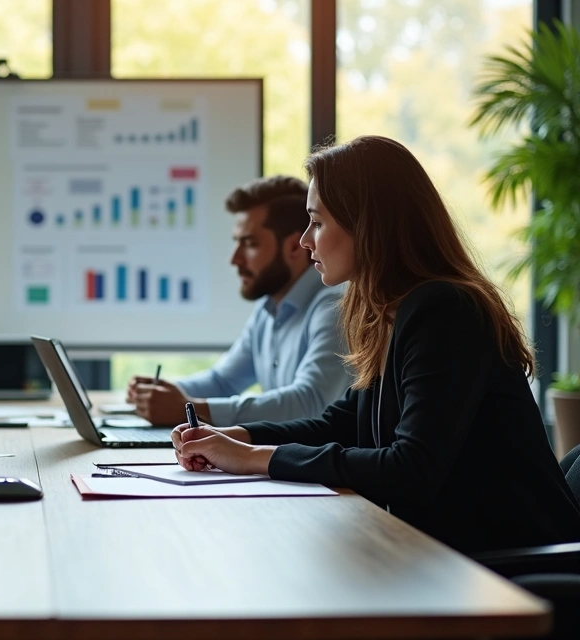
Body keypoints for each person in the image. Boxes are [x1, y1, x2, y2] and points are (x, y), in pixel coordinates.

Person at [173, 135, 580, 554]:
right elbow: (341, 423)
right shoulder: (390, 311)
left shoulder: (444, 310)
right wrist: (232, 437)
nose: (304, 241)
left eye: (317, 221)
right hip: (452, 558)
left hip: (511, 569)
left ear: (367, 225)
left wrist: (254, 457)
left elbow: (411, 468)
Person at [128, 176, 350, 425]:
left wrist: (191, 410)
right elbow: (223, 382)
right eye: (237, 243)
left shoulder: (334, 305)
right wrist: (155, 395)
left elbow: (311, 402)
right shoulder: (269, 306)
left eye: (250, 244)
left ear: (294, 248)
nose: (235, 259)